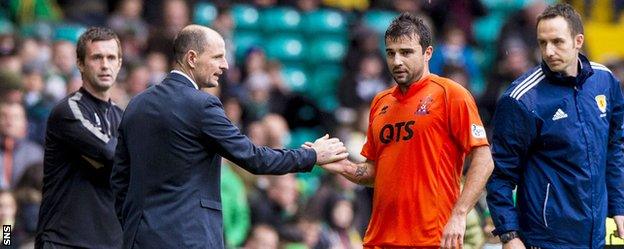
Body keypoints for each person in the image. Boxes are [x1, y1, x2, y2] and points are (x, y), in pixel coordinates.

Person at [110, 24, 347, 249]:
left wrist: (132, 226)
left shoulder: (136, 104)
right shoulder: (202, 105)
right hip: (189, 238)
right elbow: (254, 158)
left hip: (139, 238)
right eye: (217, 57)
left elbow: (120, 179)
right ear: (192, 58)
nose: (225, 65)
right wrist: (311, 155)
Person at [319, 13, 494, 249]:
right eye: (391, 53)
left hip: (433, 239)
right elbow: (375, 172)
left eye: (406, 52)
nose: (397, 61)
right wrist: (343, 167)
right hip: (380, 239)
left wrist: (460, 214)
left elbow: (484, 159)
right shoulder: (380, 103)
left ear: (428, 53)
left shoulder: (451, 94)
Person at [486, 3, 624, 248]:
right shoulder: (521, 99)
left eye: (557, 42)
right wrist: (509, 234)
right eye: (542, 43)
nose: (548, 51)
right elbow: (500, 175)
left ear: (578, 40)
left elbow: (614, 149)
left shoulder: (605, 81)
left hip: (595, 237)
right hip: (545, 239)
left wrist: (619, 206)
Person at [35, 27, 124, 248]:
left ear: (120, 63)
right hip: (63, 241)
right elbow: (109, 153)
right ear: (80, 63)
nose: (105, 64)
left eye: (111, 57)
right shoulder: (68, 111)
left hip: (110, 242)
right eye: (96, 57)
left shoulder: (123, 117)